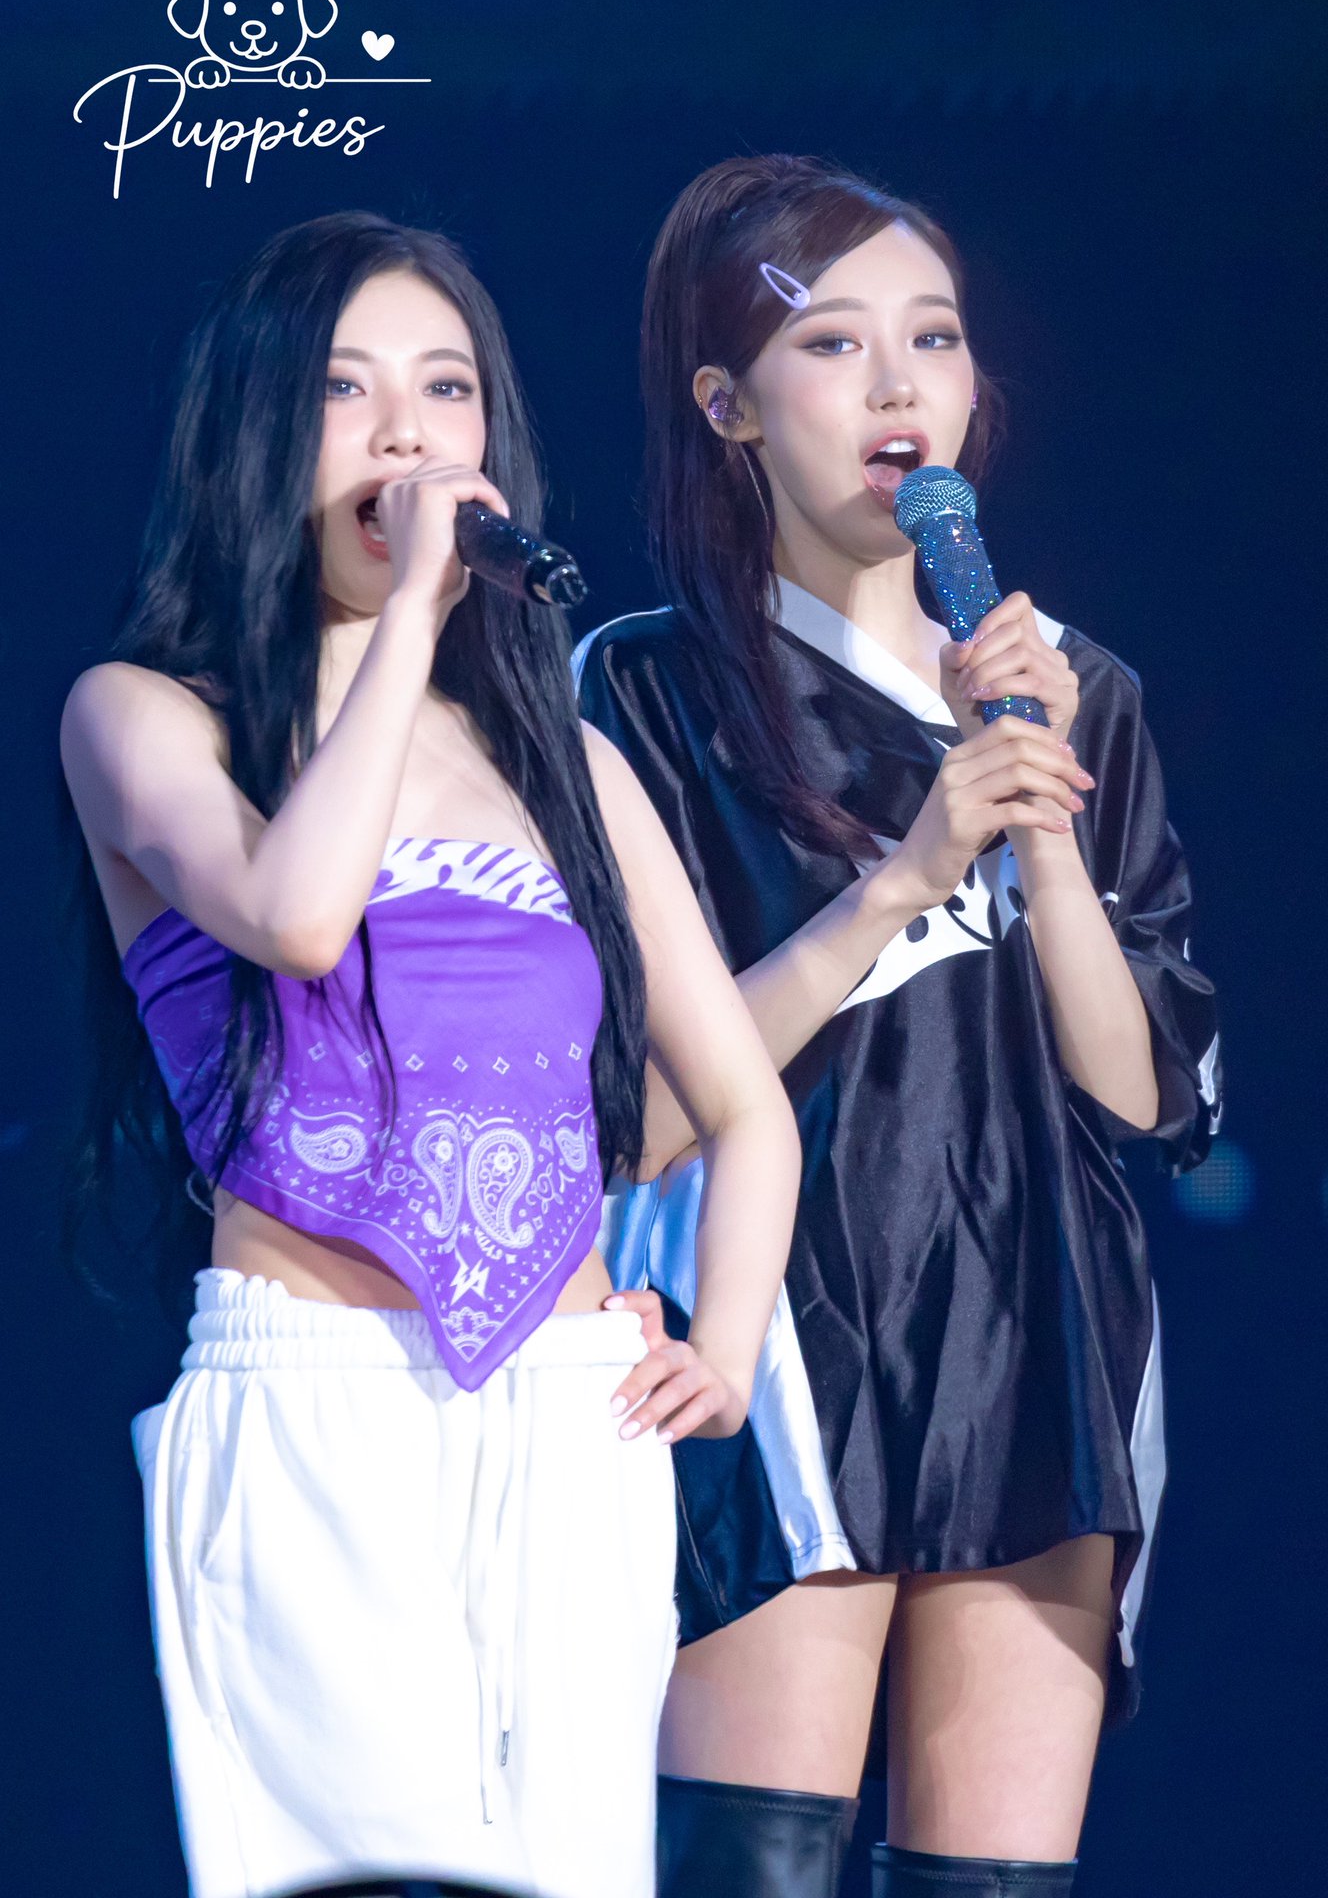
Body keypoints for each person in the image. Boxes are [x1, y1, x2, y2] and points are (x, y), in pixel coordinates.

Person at [61, 210, 799, 1898]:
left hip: (572, 1408)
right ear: (254, 428)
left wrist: (726, 1348)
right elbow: (296, 915)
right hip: (313, 1390)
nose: (408, 434)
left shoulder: (566, 766)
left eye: (447, 388)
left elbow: (742, 1109)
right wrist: (407, 620)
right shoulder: (146, 713)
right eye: (348, 389)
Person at [574, 156, 1221, 1898]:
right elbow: (624, 1115)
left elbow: (1143, 1099)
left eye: (930, 338)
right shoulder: (640, 689)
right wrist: (902, 877)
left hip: (1037, 1339)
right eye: (833, 342)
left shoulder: (1078, 690)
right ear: (725, 404)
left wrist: (1038, 821)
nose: (896, 386)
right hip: (776, 1339)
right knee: (748, 1869)